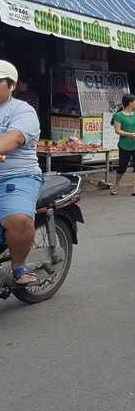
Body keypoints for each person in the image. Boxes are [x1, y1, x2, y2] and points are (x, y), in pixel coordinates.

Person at [0, 60, 42, 286]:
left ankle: (18, 266)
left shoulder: (22, 110)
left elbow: (14, 138)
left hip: (17, 176)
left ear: (11, 85)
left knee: (18, 219)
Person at [110, 94, 135, 196]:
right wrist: (129, 134)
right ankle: (116, 185)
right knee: (122, 167)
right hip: (125, 145)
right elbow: (117, 130)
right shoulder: (118, 115)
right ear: (130, 103)